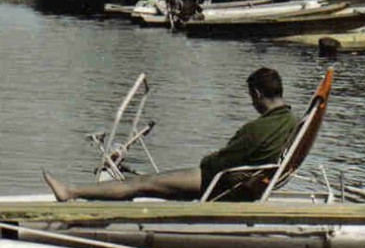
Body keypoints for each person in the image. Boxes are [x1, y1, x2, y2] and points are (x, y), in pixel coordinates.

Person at [44, 67, 297, 203]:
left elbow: (217, 163)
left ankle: (71, 192)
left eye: (250, 97)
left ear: (256, 94)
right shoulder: (291, 122)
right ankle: (83, 192)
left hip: (218, 182)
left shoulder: (257, 129)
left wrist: (208, 160)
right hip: (242, 183)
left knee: (143, 183)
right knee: (155, 184)